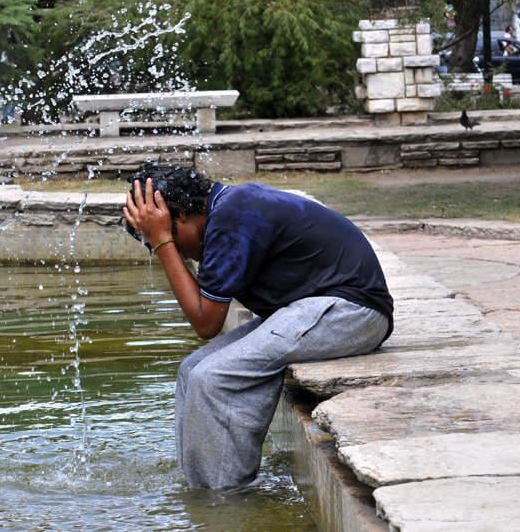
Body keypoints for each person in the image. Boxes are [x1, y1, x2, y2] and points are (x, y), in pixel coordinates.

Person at [121, 163, 393, 489]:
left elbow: (206, 322)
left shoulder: (230, 218)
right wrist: (165, 237)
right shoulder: (225, 213)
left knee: (213, 379)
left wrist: (162, 241)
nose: (173, 251)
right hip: (309, 308)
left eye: (164, 237)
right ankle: (199, 486)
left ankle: (222, 500)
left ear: (178, 216)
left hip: (352, 312)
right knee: (191, 369)